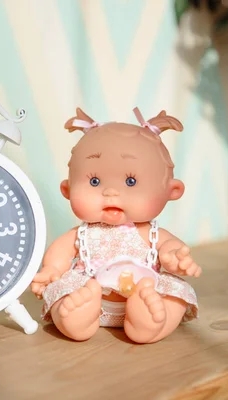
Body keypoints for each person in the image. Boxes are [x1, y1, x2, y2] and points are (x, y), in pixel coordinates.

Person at [31, 107, 200, 344]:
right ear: (67, 190)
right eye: (94, 181)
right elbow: (60, 252)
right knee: (59, 292)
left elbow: (169, 246)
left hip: (146, 287)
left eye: (131, 182)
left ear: (172, 191)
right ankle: (77, 319)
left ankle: (148, 322)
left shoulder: (151, 233)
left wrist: (174, 258)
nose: (111, 192)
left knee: (177, 295)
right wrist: (51, 270)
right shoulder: (83, 233)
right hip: (90, 291)